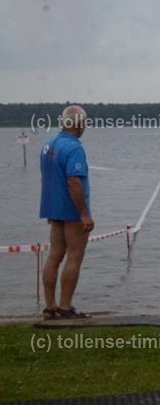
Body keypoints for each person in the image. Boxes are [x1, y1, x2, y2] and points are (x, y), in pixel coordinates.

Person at [39, 105, 94, 320]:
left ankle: (50, 306)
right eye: (85, 123)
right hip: (71, 210)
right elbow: (74, 181)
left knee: (54, 255)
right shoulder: (74, 148)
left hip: (53, 207)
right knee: (74, 255)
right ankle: (64, 306)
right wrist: (84, 214)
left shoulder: (48, 145)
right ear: (79, 124)